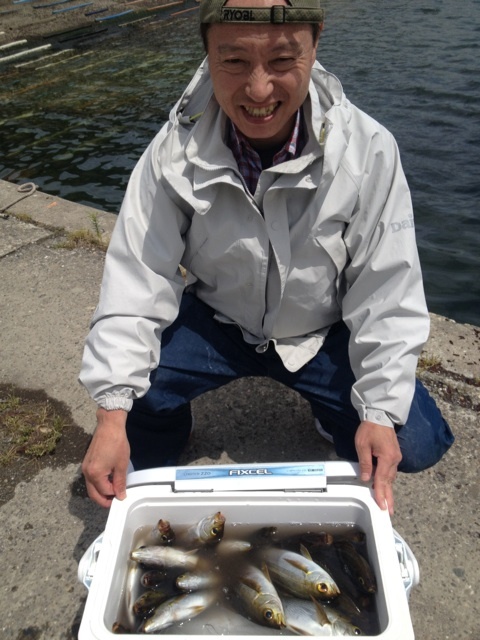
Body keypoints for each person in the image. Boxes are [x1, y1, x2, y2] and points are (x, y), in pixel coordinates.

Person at [79, 0, 454, 513]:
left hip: (321, 330)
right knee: (131, 409)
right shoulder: (171, 152)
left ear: (315, 44)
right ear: (207, 53)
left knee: (413, 441)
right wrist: (109, 417)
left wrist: (379, 411)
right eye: (234, 61)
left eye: (282, 60)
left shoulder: (369, 150)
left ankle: (334, 413)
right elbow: (136, 278)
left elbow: (387, 289)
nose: (258, 91)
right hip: (218, 319)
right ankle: (162, 433)